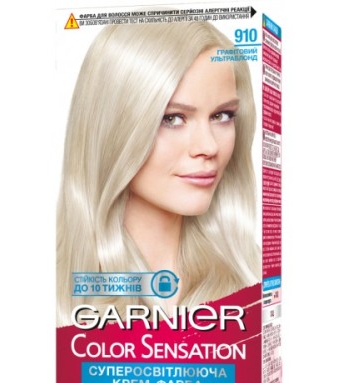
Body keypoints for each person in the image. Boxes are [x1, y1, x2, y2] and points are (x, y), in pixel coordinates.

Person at [57, 21, 260, 327]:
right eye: (173, 118)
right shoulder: (56, 293)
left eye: (222, 115)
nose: (208, 147)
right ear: (113, 127)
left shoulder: (253, 279)